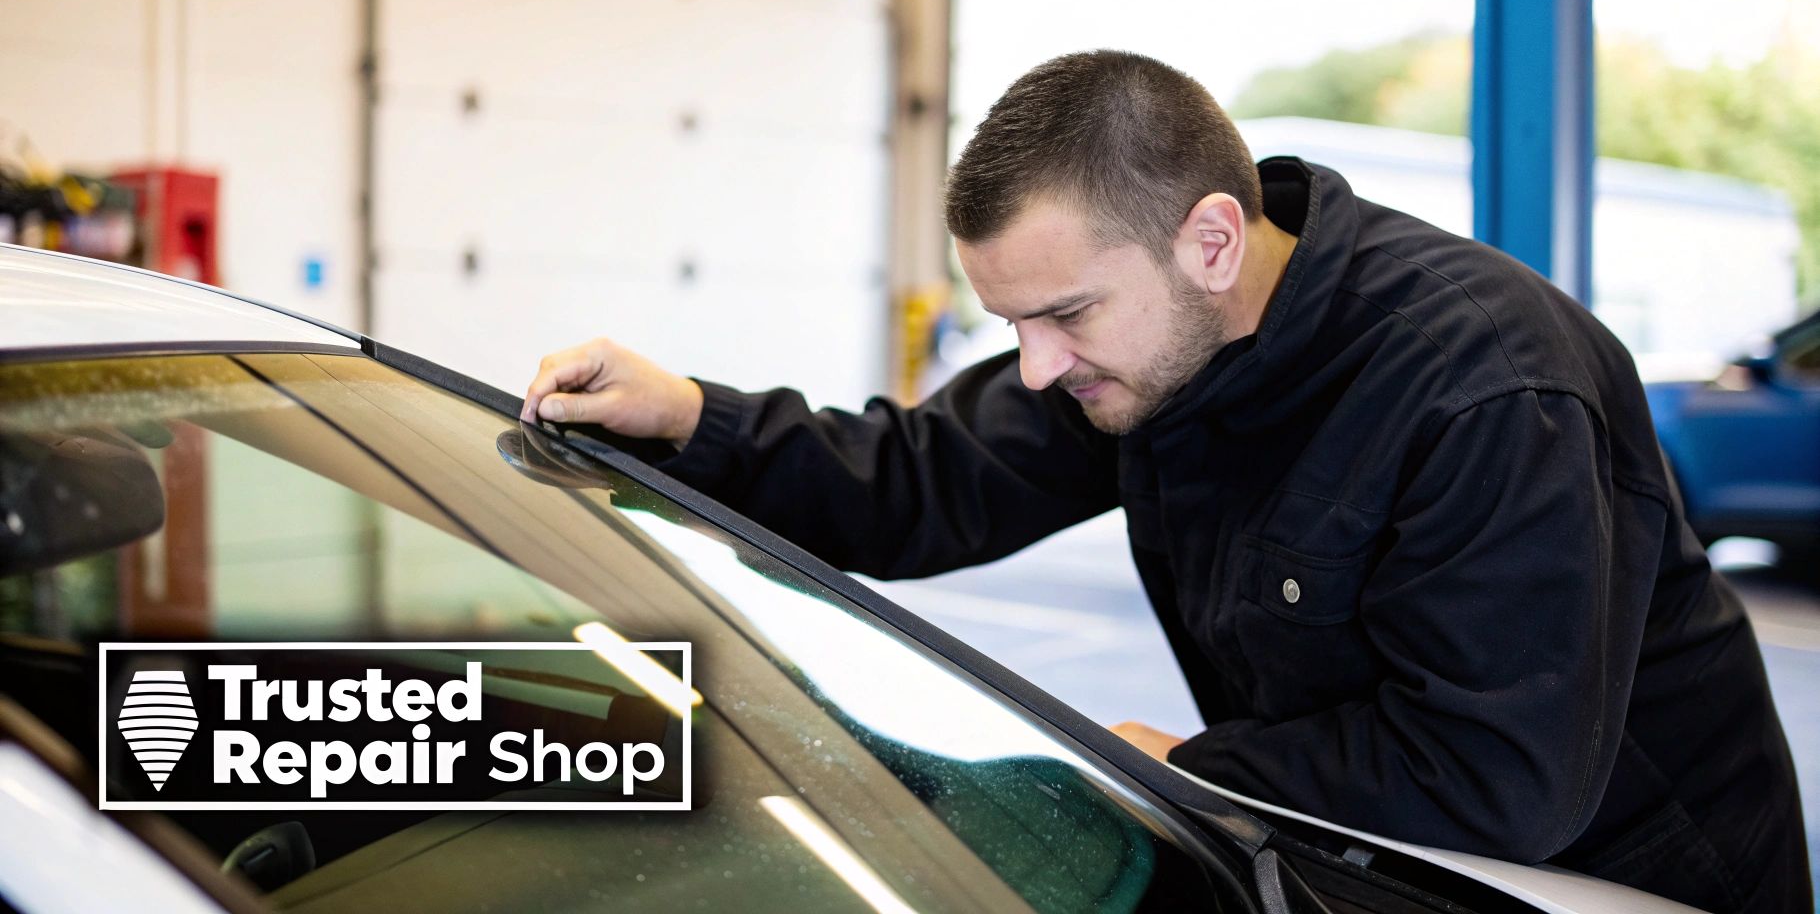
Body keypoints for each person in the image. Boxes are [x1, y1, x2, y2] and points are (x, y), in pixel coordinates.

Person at [523, 51, 1808, 912]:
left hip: (1618, 880)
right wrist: (690, 418)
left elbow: (1495, 770)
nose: (1033, 369)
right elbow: (918, 481)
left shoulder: (1481, 384)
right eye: (1012, 321)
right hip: (1376, 863)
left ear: (1207, 237)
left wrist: (1186, 764)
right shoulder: (1145, 349)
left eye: (1063, 314)